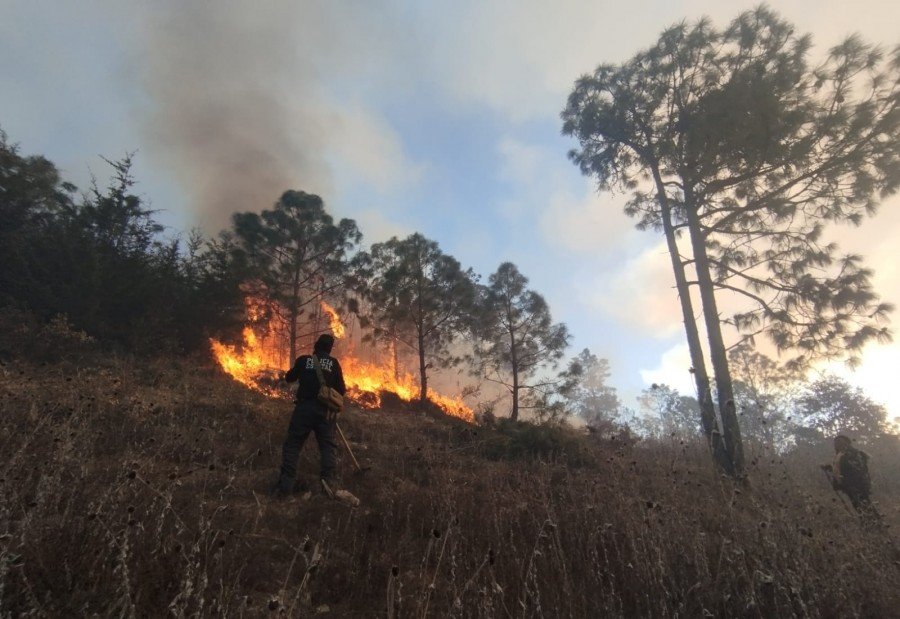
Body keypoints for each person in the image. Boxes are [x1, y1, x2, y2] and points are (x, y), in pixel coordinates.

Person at [272, 333, 346, 498]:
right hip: (325, 412)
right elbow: (341, 390)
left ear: (316, 345)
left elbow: (289, 377)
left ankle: (285, 489)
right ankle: (328, 487)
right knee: (327, 448)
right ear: (329, 349)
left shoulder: (304, 360)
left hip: (304, 409)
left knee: (293, 446)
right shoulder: (334, 364)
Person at [823, 434, 878, 521]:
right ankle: (870, 524)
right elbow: (841, 470)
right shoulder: (841, 455)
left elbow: (856, 470)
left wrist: (848, 483)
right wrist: (830, 469)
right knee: (859, 505)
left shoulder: (852, 454)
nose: (837, 444)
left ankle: (874, 525)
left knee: (863, 505)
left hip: (858, 486)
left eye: (839, 442)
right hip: (850, 486)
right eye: (836, 443)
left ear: (846, 443)